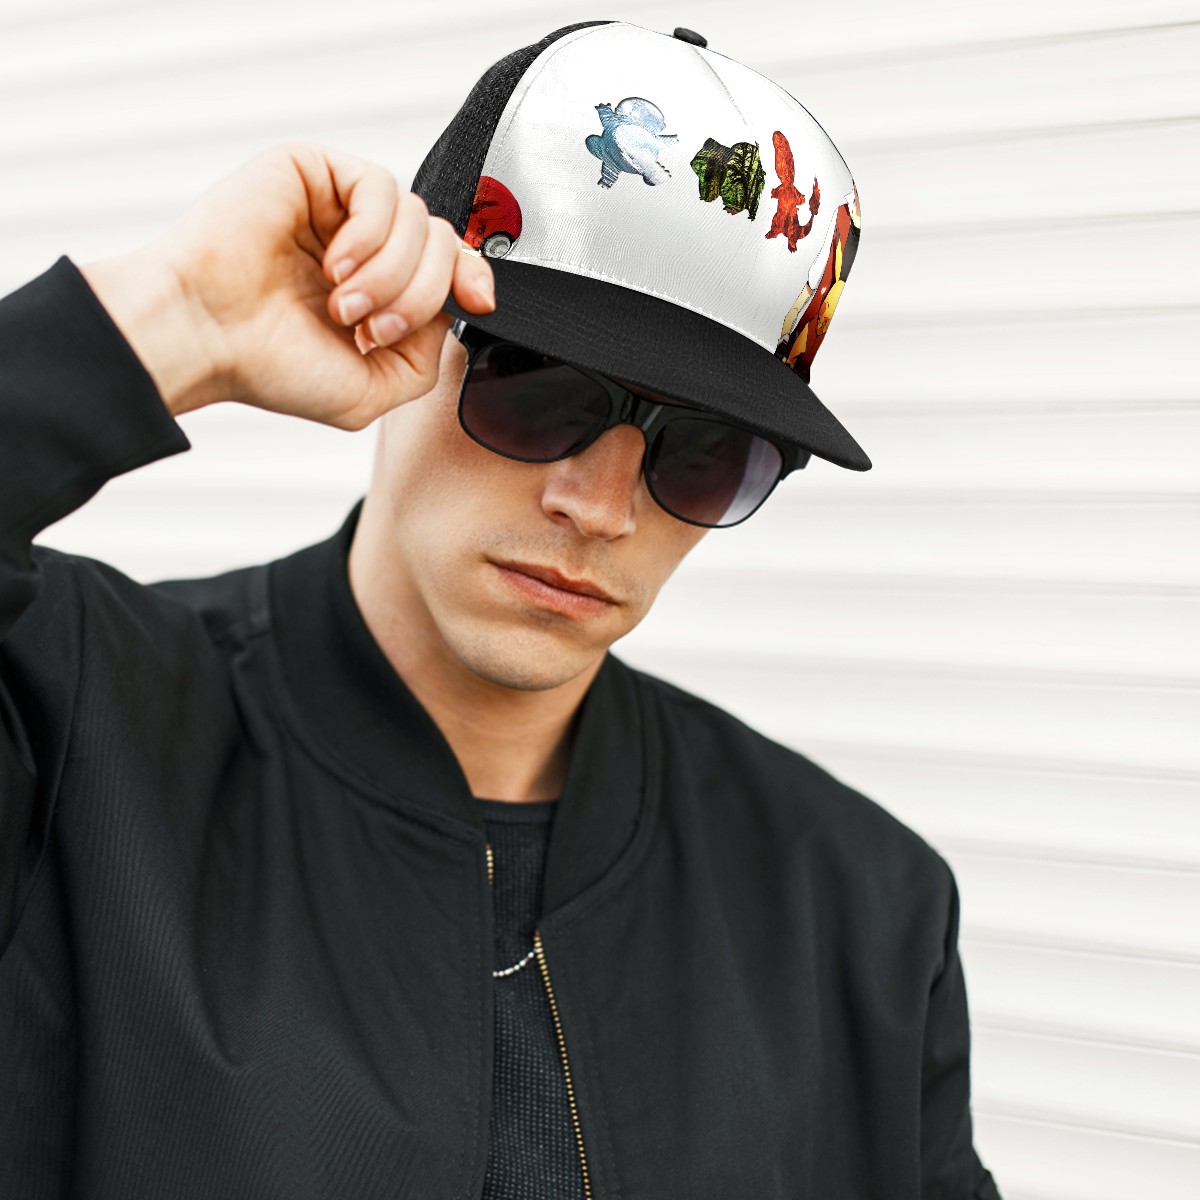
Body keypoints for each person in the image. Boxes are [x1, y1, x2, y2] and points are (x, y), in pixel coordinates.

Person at [0, 20, 1002, 1200]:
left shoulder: (859, 911)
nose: (602, 506)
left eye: (708, 453)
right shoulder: (67, 727)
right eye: (539, 387)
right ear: (397, 327)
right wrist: (170, 318)